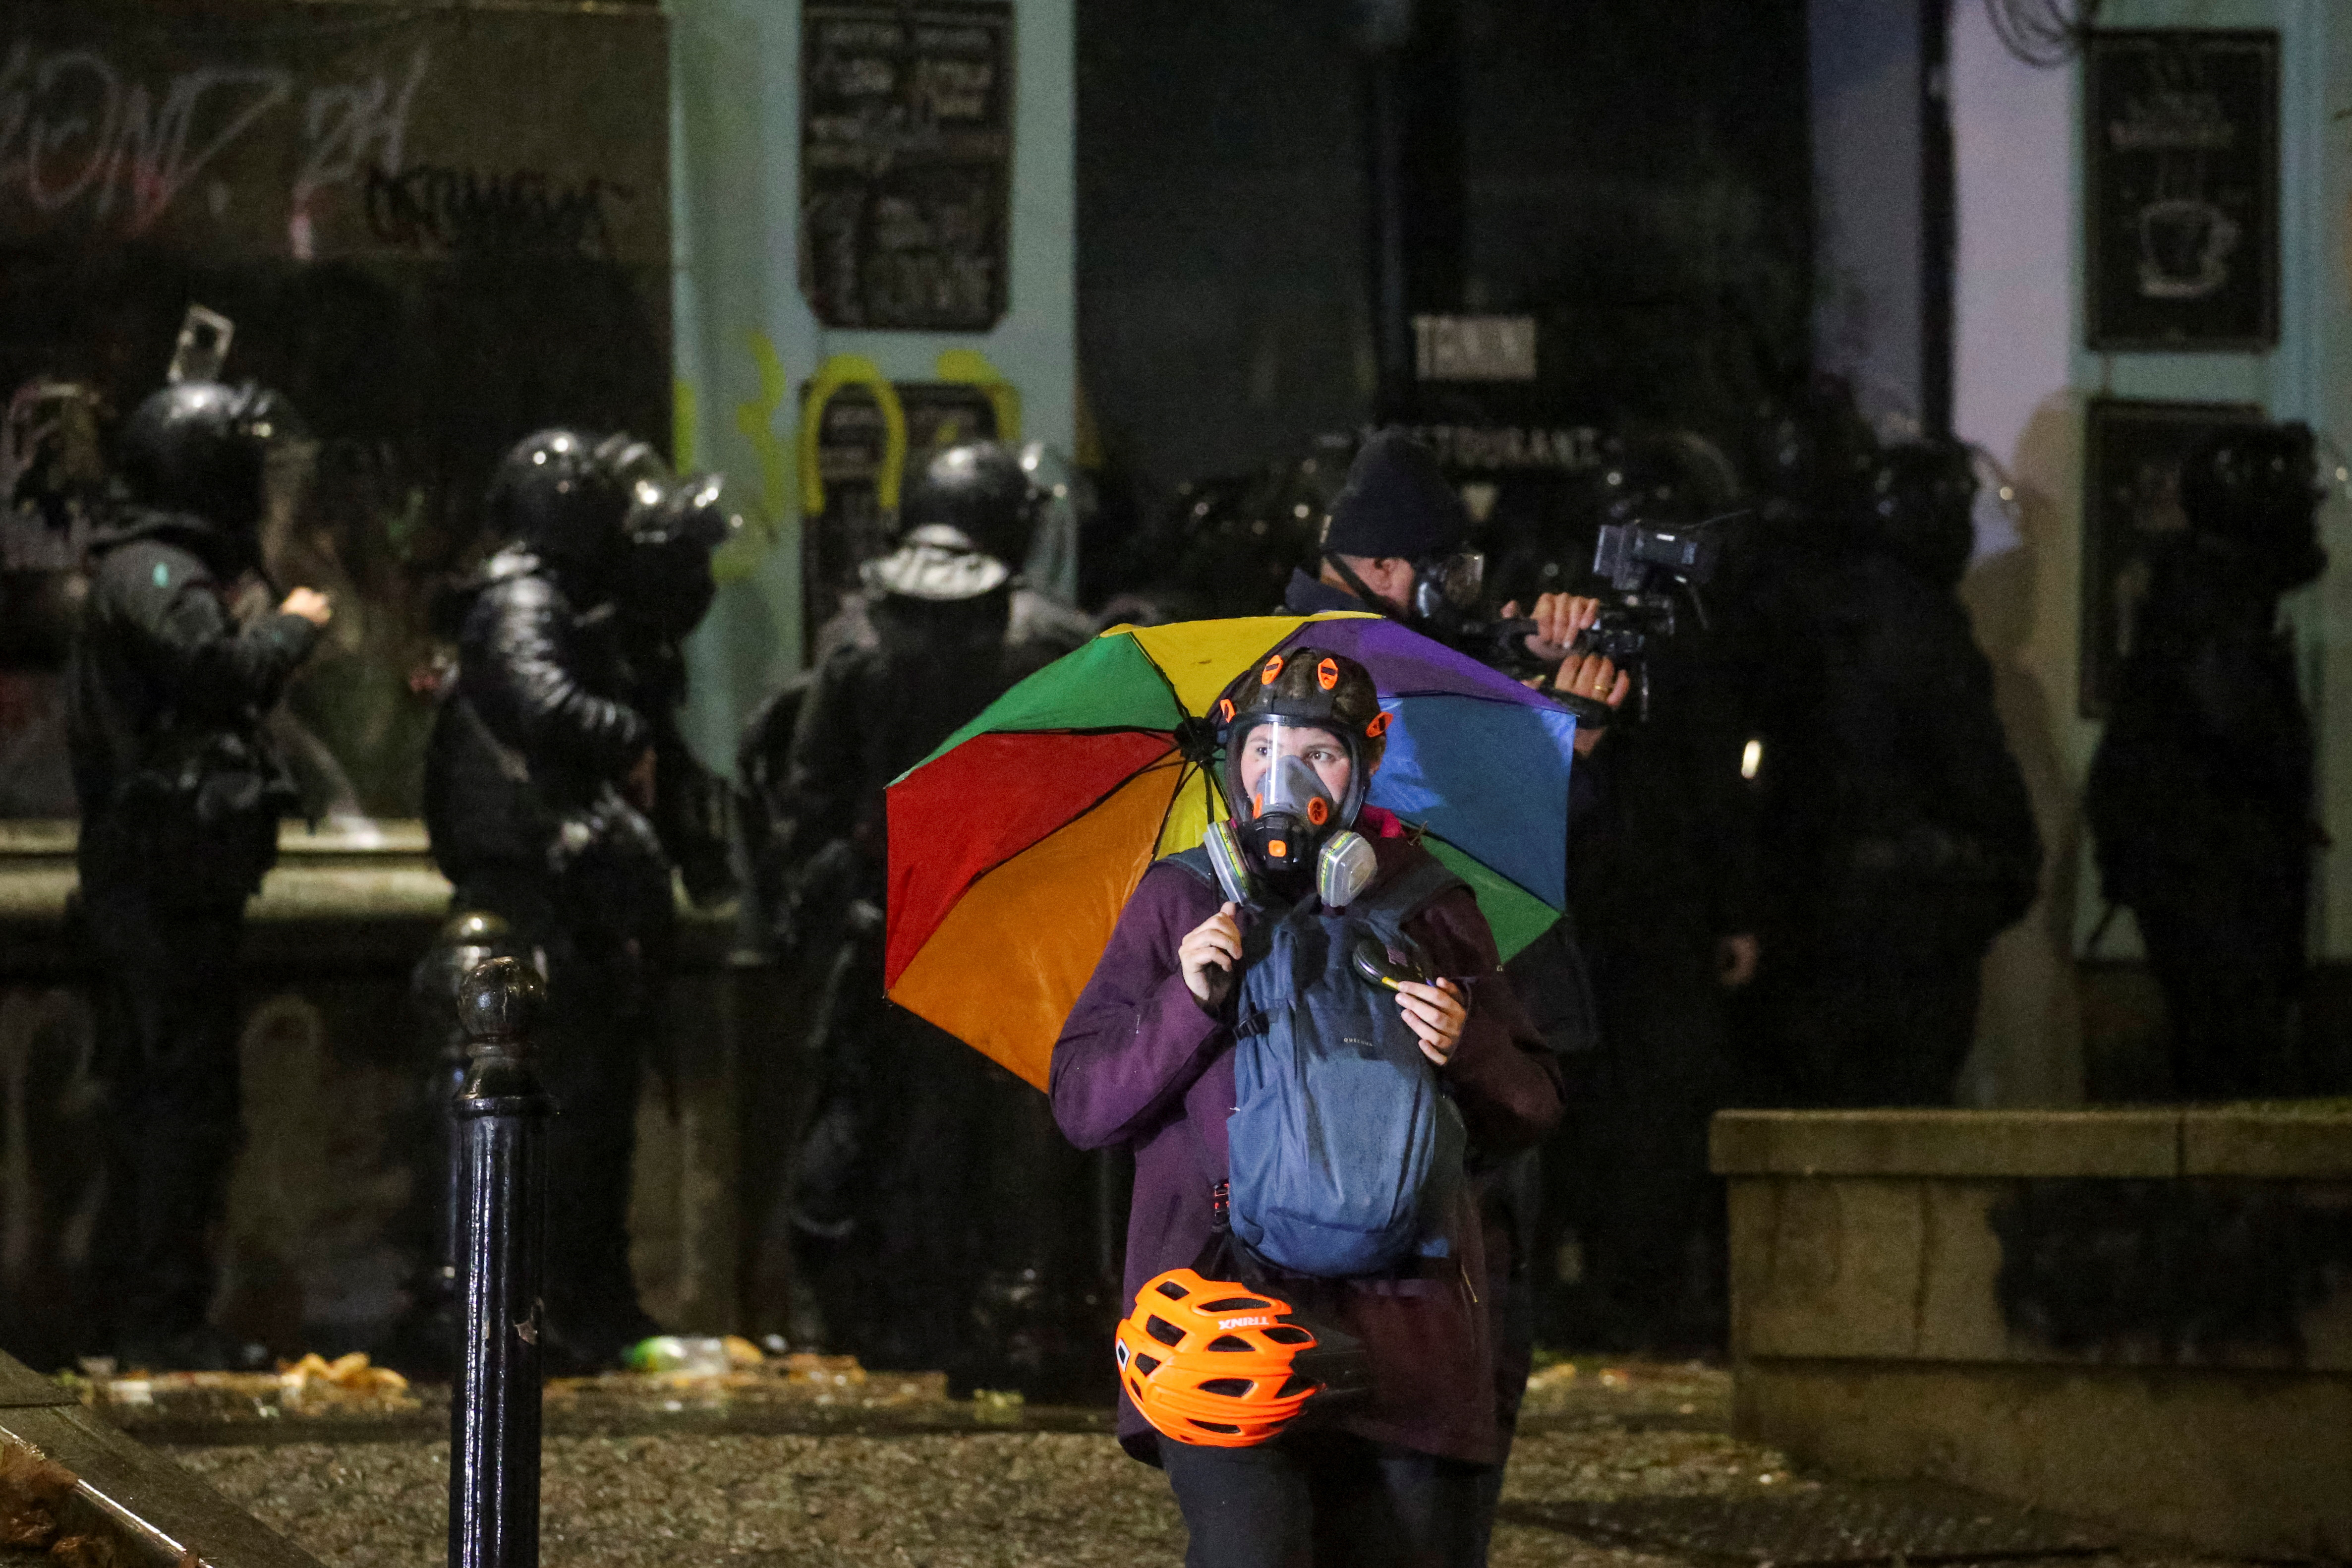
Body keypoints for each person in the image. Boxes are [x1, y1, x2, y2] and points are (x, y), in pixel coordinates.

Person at [1053, 646, 1562, 1568]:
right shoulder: (1177, 900)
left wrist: (1468, 1045)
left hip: (1406, 1322)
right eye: (1263, 749)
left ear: (1365, 762)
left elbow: (1531, 1108)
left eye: (1318, 752)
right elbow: (1086, 1107)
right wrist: (1186, 999)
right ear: (1233, 762)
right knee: (1257, 1551)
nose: (1284, 776)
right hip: (1223, 1317)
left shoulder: (1430, 902)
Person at [751, 439, 1092, 1390]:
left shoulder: (858, 638)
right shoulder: (1057, 638)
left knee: (894, 1130)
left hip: (891, 926)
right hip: (1023, 933)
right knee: (1019, 1144)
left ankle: (895, 1320)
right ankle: (1020, 1324)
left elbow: (809, 801)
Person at [66, 378, 333, 1368]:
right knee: (174, 1102)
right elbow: (218, 673)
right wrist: (291, 626)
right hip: (156, 887)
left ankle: (158, 1312)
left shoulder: (157, 569)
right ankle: (155, 1320)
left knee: (182, 1100)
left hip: (179, 885)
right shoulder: (154, 574)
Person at [422, 426, 673, 1371]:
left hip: (555, 893)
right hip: (534, 896)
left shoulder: (545, 597)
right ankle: (539, 1310)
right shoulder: (525, 598)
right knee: (553, 1103)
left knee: (586, 1106)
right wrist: (622, 728)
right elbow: (540, 699)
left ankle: (575, 1303)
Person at [1742, 437, 2041, 1106]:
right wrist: (2006, 869)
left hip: (1815, 912)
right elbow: (1975, 773)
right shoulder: (1920, 629)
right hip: (1907, 924)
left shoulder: (1807, 612)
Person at [2087, 421, 2326, 1099]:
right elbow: (2237, 727)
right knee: (2229, 1061)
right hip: (2214, 881)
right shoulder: (2214, 604)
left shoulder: (2203, 590)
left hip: (2206, 874)